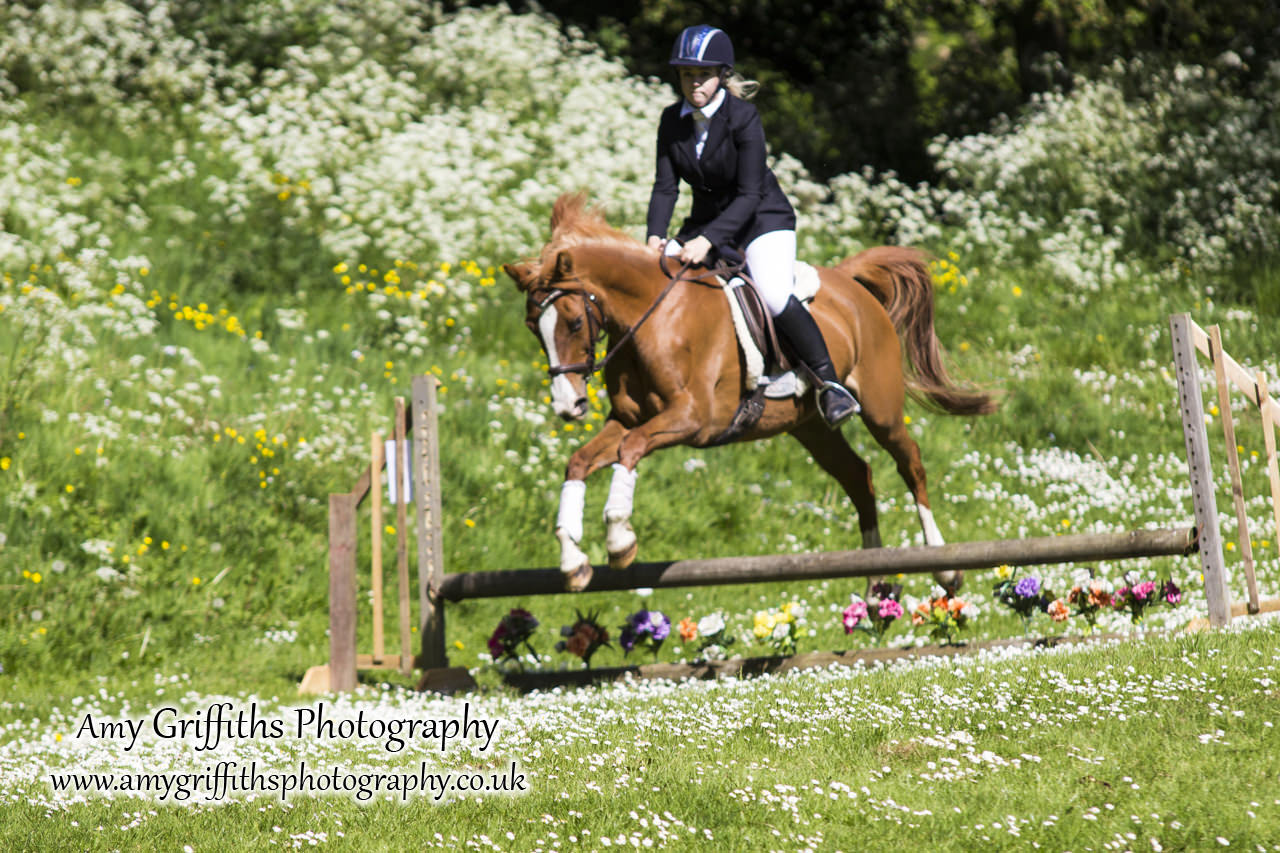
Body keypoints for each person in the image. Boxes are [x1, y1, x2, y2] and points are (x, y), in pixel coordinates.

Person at [645, 24, 860, 427]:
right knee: (657, 275)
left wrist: (707, 240)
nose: (694, 83)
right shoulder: (670, 121)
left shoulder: (743, 117)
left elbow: (747, 195)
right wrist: (655, 237)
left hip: (762, 219)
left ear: (721, 75)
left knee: (774, 295)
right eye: (687, 74)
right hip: (706, 222)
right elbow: (664, 187)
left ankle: (831, 385)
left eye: (703, 75)